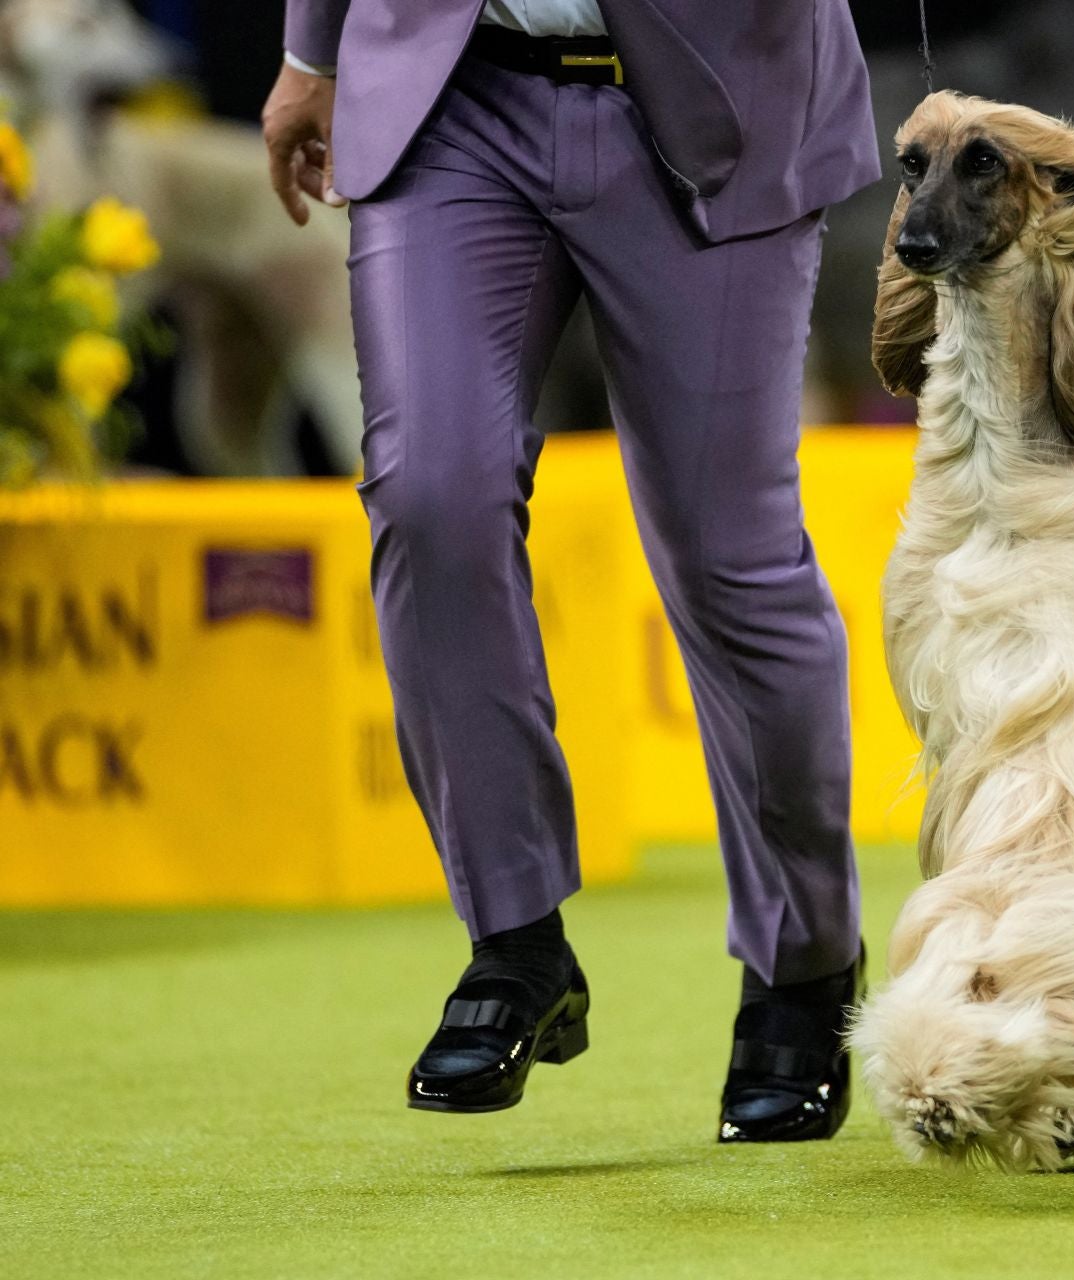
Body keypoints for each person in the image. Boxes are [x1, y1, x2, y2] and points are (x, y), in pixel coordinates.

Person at [260, 0, 879, 1141]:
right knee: (429, 492)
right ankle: (516, 941)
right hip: (450, 92)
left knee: (726, 559)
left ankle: (804, 962)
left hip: (718, 91)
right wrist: (312, 49)